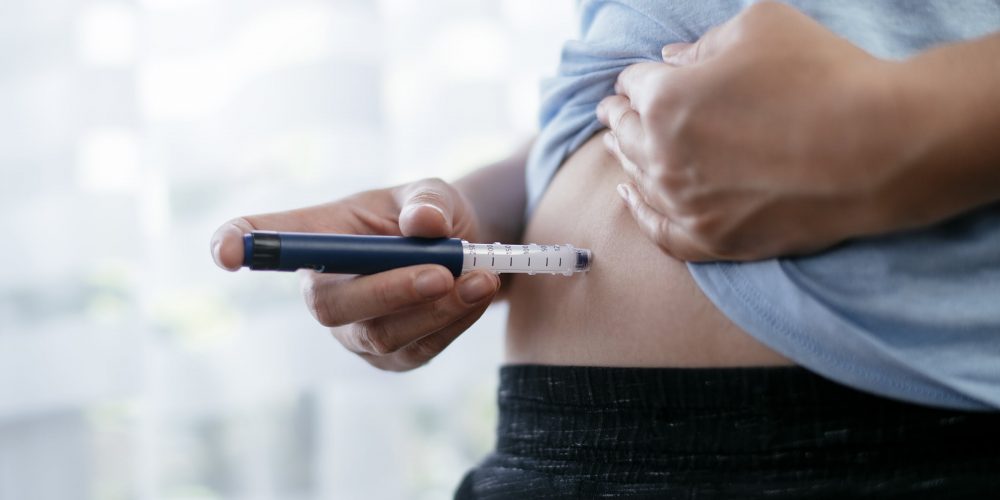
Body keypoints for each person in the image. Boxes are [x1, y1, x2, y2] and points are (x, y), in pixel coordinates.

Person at [211, 1, 1000, 497]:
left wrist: (896, 130)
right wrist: (477, 212)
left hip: (912, 431)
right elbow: (649, 82)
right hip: (560, 446)